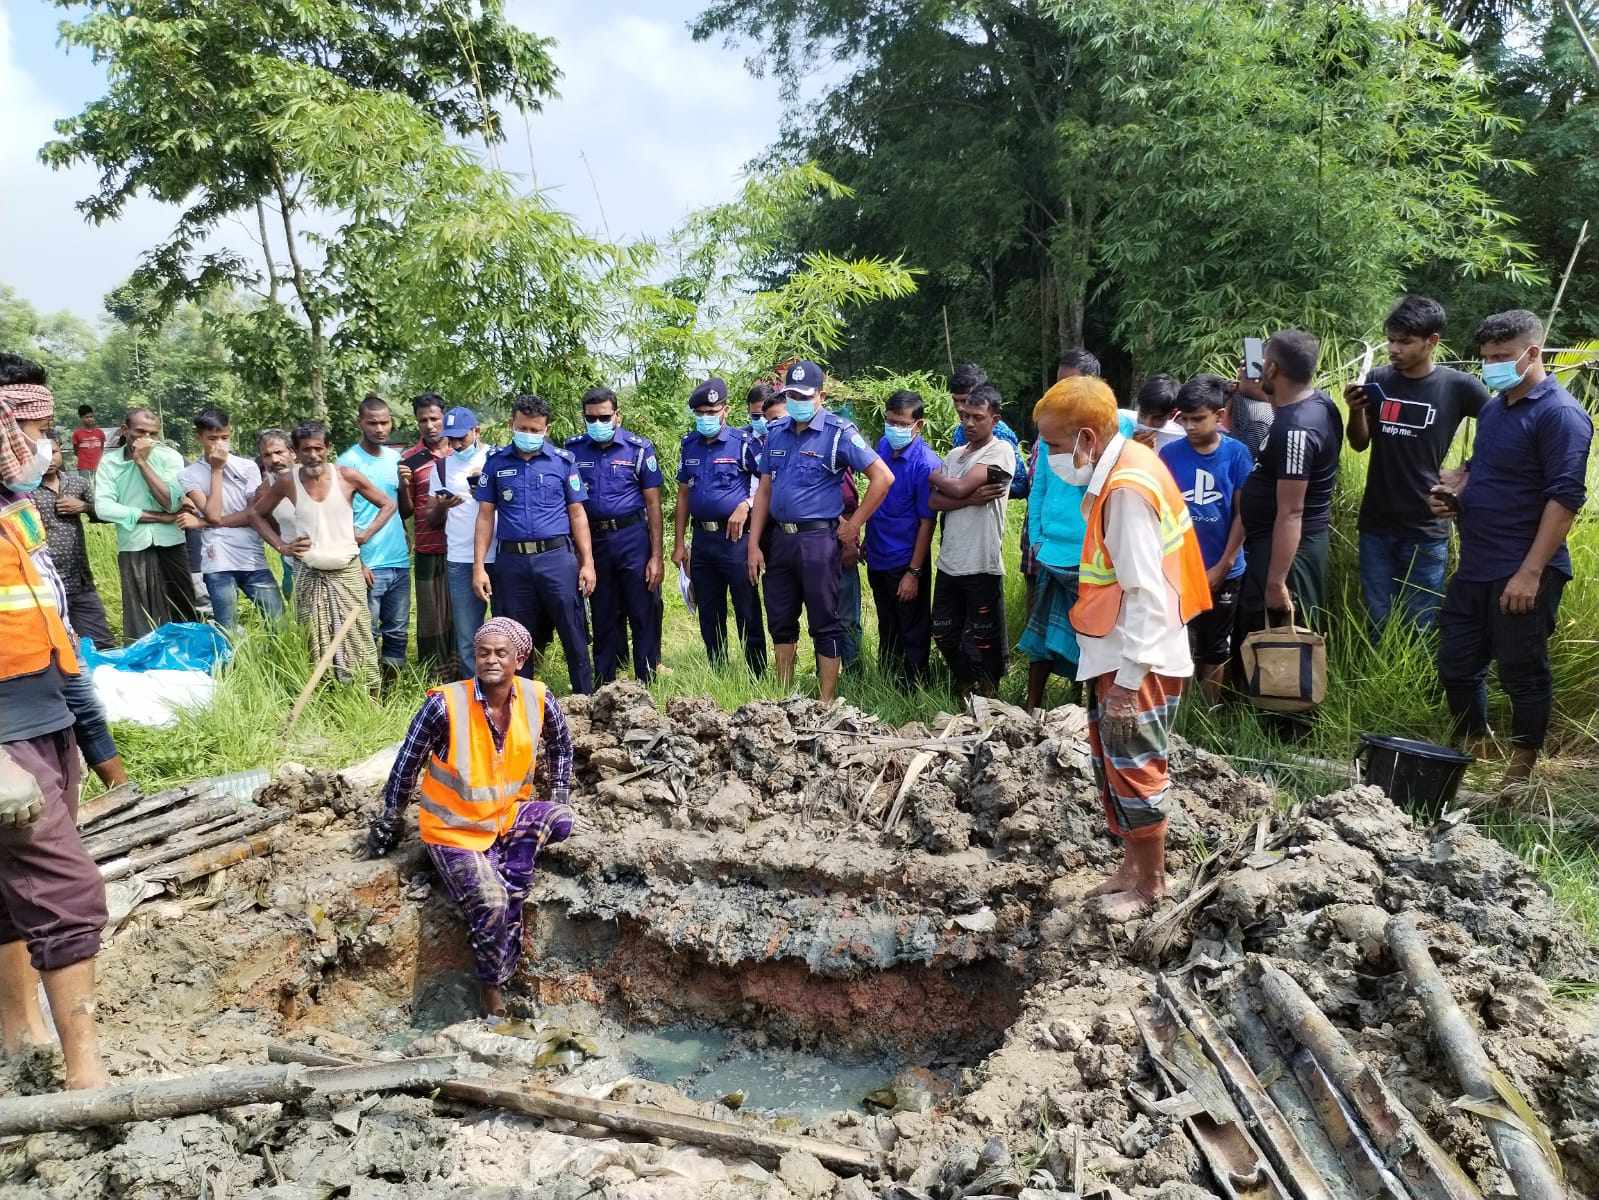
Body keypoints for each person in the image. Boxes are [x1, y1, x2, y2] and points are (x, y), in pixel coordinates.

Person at [1036, 376, 1208, 921]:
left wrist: (1128, 687)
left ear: (1087, 438)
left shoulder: (1127, 491)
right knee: (1114, 764)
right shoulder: (1128, 463)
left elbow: (1145, 595)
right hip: (1120, 652)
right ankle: (1130, 870)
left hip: (1140, 660)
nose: (1052, 459)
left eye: (1057, 447)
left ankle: (1150, 884)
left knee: (1136, 767)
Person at [367, 617, 575, 1017]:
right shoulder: (444, 705)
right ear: (473, 657)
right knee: (492, 903)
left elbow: (562, 747)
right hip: (453, 829)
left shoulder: (538, 698)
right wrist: (390, 819)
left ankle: (513, 873)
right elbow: (406, 765)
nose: (491, 660)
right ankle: (492, 995)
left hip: (504, 816)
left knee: (561, 821)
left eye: (501, 653)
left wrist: (560, 794)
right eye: (483, 653)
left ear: (520, 659)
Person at [0, 391, 111, 1091]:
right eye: (23, 429)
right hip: (6, 738)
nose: (29, 442)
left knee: (10, 891)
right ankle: (86, 1079)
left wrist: (89, 732)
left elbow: (50, 621)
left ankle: (19, 1035)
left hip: (46, 717)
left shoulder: (15, 511)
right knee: (70, 890)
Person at [1433, 309, 1592, 792]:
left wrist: (1530, 572)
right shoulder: (1495, 408)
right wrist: (1457, 491)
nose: (1492, 366)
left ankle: (1520, 774)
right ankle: (1477, 748)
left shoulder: (1560, 414)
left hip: (1523, 568)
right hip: (1477, 564)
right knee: (1456, 664)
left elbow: (1565, 498)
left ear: (1533, 353)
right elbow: (1483, 467)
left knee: (1523, 673)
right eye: (1486, 358)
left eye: (1502, 357)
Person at [747, 360, 892, 703]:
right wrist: (754, 544)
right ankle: (783, 698)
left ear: (820, 396)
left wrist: (854, 525)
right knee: (781, 619)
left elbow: (883, 478)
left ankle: (826, 700)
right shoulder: (777, 432)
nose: (796, 401)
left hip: (818, 541)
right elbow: (764, 491)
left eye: (803, 395)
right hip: (780, 539)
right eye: (790, 394)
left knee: (825, 620)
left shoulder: (839, 432)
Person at [1345, 295, 1489, 633]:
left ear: (1431, 341)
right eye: (1391, 340)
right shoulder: (1378, 379)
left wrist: (1465, 472)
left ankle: (1419, 684)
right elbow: (1359, 442)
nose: (1394, 349)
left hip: (1426, 527)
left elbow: (1502, 431)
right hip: (1376, 523)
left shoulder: (1459, 387)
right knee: (1378, 618)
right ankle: (1378, 684)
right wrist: (1354, 410)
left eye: (1405, 342)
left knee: (1420, 623)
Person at [252, 421, 393, 688]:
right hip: (309, 572)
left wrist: (364, 534)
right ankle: (325, 694)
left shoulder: (346, 476)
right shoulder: (287, 482)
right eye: (306, 449)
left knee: (359, 634)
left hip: (347, 571)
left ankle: (367, 693)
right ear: (296, 451)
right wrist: (282, 546)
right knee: (313, 636)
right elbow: (256, 514)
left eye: (318, 448)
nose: (313, 455)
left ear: (328, 448)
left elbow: (387, 504)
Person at [473, 394, 596, 695]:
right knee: (513, 639)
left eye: (535, 430)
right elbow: (485, 517)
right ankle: (520, 707)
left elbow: (577, 513)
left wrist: (588, 562)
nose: (529, 435)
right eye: (523, 429)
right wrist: (479, 568)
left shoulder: (563, 462)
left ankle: (586, 700)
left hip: (557, 559)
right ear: (511, 424)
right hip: (512, 564)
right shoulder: (496, 463)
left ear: (547, 428)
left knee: (574, 633)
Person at [1232, 331, 1342, 634]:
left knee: (1281, 645)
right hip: (1277, 546)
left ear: (1271, 369)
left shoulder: (1296, 431)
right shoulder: (1318, 403)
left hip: (1287, 554)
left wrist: (1276, 581)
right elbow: (1284, 406)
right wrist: (1255, 391)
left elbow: (1291, 511)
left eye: (1264, 360)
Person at [1161, 376, 1253, 705]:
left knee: (1216, 644)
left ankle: (1209, 711)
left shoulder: (1237, 454)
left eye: (1197, 418)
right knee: (1178, 641)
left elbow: (1243, 514)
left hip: (1224, 567)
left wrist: (1224, 564)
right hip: (1179, 569)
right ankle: (1179, 713)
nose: (1189, 426)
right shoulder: (1170, 455)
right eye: (1184, 418)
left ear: (1219, 414)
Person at [566, 386, 664, 685]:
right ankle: (604, 684)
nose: (597, 424)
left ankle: (646, 681)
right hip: (593, 542)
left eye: (604, 417)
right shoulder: (572, 450)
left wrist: (656, 556)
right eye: (590, 418)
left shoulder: (638, 449)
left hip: (632, 538)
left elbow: (653, 504)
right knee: (603, 612)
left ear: (617, 416)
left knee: (642, 611)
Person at [929, 382, 1016, 697]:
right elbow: (935, 502)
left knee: (985, 635)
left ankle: (989, 692)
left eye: (977, 417)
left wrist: (936, 477)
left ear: (995, 419)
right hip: (950, 559)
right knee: (942, 630)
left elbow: (955, 489)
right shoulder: (954, 454)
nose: (969, 423)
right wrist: (964, 494)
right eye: (965, 415)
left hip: (981, 560)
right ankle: (967, 681)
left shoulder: (1001, 451)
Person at [676, 378, 766, 674]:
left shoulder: (744, 443)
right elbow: (683, 495)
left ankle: (756, 672)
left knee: (746, 608)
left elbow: (768, 482)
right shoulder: (689, 445)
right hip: (703, 539)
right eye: (700, 413)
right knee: (710, 610)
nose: (706, 418)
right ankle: (718, 671)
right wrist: (679, 544)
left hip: (735, 540)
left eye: (712, 411)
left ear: (725, 410)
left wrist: (747, 504)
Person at [92, 406, 198, 641]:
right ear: (124, 430)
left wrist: (142, 463)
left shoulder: (169, 457)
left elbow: (171, 503)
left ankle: (190, 663)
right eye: (140, 432)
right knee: (141, 613)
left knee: (182, 606)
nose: (147, 439)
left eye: (153, 433)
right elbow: (104, 508)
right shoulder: (110, 463)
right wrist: (160, 518)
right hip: (134, 545)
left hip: (171, 542)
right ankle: (147, 665)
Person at [176, 407, 283, 628]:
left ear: (230, 432)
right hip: (217, 561)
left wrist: (202, 522)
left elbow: (254, 514)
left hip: (252, 557)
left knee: (278, 622)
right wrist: (217, 470)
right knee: (228, 627)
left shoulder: (248, 466)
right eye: (212, 438)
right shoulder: (188, 475)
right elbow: (214, 514)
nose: (219, 445)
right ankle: (232, 663)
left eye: (224, 437)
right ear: (199, 437)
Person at [862, 390, 938, 684]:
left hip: (905, 559)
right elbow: (877, 498)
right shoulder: (882, 446)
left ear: (918, 425)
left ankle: (917, 688)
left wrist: (914, 572)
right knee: (887, 626)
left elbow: (926, 523)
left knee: (913, 630)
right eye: (889, 421)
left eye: (901, 423)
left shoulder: (926, 464)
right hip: (878, 555)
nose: (894, 428)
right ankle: (887, 684)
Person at [338, 394, 410, 681]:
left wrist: (404, 484)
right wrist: (357, 561)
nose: (380, 429)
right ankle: (368, 689)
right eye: (372, 423)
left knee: (398, 631)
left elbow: (404, 512)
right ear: (360, 423)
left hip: (400, 561)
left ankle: (392, 689)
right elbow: (340, 517)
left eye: (384, 423)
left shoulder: (396, 459)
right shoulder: (348, 463)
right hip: (367, 563)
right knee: (367, 632)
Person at [433, 407, 495, 676]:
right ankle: (475, 690)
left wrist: (485, 491)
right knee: (468, 634)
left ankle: (509, 688)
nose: (457, 444)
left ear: (476, 431)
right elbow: (432, 512)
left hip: (500, 555)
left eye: (462, 437)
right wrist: (443, 506)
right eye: (451, 439)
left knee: (508, 629)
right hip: (460, 558)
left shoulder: (496, 458)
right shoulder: (442, 467)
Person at [37, 439, 113, 650]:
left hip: (79, 580)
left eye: (53, 452)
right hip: (44, 583)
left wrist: (85, 506)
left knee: (101, 642)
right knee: (56, 646)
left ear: (61, 452)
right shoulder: (24, 491)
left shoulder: (78, 483)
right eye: (41, 454)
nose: (49, 459)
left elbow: (107, 513)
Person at [401, 393, 454, 677]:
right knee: (432, 617)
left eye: (434, 418)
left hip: (461, 547)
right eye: (423, 420)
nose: (430, 425)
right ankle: (435, 676)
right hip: (427, 547)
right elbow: (406, 510)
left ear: (444, 417)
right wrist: (402, 484)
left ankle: (465, 674)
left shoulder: (460, 452)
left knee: (461, 614)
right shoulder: (410, 459)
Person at [256, 430, 298, 603]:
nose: (274, 460)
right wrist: (281, 546)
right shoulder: (265, 490)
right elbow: (255, 517)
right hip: (293, 565)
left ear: (293, 452)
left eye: (279, 452)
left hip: (330, 563)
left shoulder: (315, 478)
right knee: (304, 625)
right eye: (267, 455)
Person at [1133, 374, 1185, 451]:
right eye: (1142, 415)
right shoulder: (1122, 426)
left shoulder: (1181, 439)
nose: (1147, 423)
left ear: (1172, 414)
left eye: (1157, 418)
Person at [71, 405, 105, 478]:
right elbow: (76, 451)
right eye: (86, 417)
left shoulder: (100, 432)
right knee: (86, 487)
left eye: (91, 416)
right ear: (81, 418)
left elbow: (101, 448)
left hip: (99, 466)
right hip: (83, 467)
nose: (90, 419)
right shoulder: (77, 433)